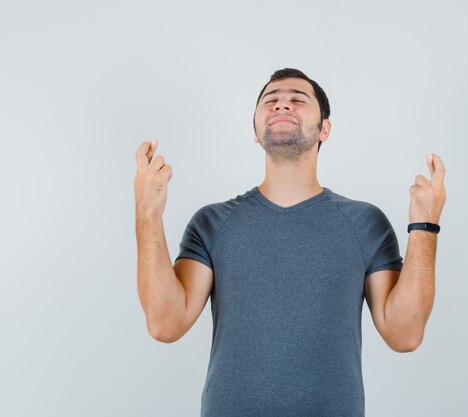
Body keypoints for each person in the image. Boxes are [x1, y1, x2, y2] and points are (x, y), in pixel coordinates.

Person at [134, 68, 446, 417]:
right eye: (271, 100)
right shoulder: (213, 223)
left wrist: (425, 223)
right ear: (255, 131)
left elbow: (405, 335)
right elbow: (164, 323)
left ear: (324, 129)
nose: (282, 105)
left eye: (298, 99)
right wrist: (148, 213)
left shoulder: (364, 223)